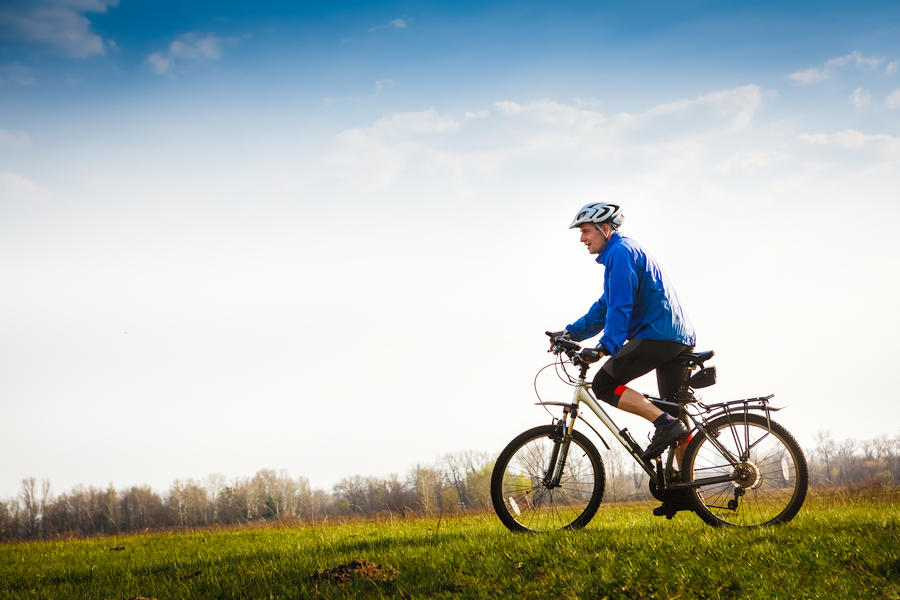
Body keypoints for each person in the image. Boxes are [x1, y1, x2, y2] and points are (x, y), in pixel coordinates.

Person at [551, 201, 696, 462]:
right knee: (675, 415)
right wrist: (570, 333)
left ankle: (665, 425)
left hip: (657, 334)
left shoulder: (620, 253)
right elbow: (606, 306)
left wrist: (606, 347)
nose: (582, 239)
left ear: (605, 228)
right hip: (675, 337)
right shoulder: (622, 251)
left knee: (603, 384)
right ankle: (683, 491)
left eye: (586, 231)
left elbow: (620, 305)